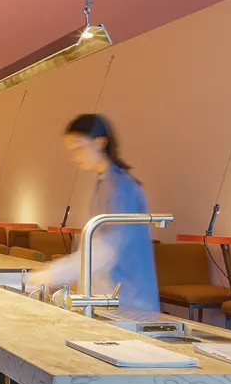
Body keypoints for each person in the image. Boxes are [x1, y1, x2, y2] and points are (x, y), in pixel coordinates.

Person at [35, 113, 159, 314]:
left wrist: (55, 272)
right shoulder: (105, 182)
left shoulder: (121, 187)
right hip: (110, 296)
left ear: (100, 143)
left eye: (78, 148)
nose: (74, 157)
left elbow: (108, 248)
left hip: (129, 299)